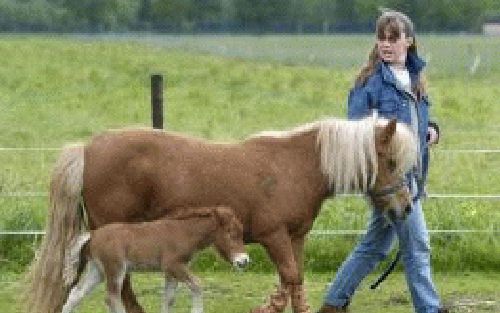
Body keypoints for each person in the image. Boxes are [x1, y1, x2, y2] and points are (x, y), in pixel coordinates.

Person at [317, 10, 448, 313]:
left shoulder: (414, 78)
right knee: (417, 245)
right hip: (390, 180)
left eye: (393, 38)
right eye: (381, 38)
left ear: (409, 41)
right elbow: (356, 132)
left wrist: (432, 129)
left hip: (412, 174)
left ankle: (334, 303)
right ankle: (429, 309)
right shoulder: (370, 83)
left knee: (375, 245)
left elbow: (417, 118)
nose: (386, 44)